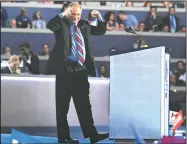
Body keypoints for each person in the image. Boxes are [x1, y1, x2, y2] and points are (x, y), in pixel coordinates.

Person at [46, 2, 108, 144]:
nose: (75, 17)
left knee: (84, 105)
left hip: (81, 70)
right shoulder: (61, 23)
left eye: (78, 14)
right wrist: (63, 14)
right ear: (68, 12)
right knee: (62, 106)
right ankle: (63, 137)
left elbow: (100, 30)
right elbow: (50, 25)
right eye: (73, 14)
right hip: (65, 69)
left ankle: (92, 135)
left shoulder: (84, 25)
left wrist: (99, 16)